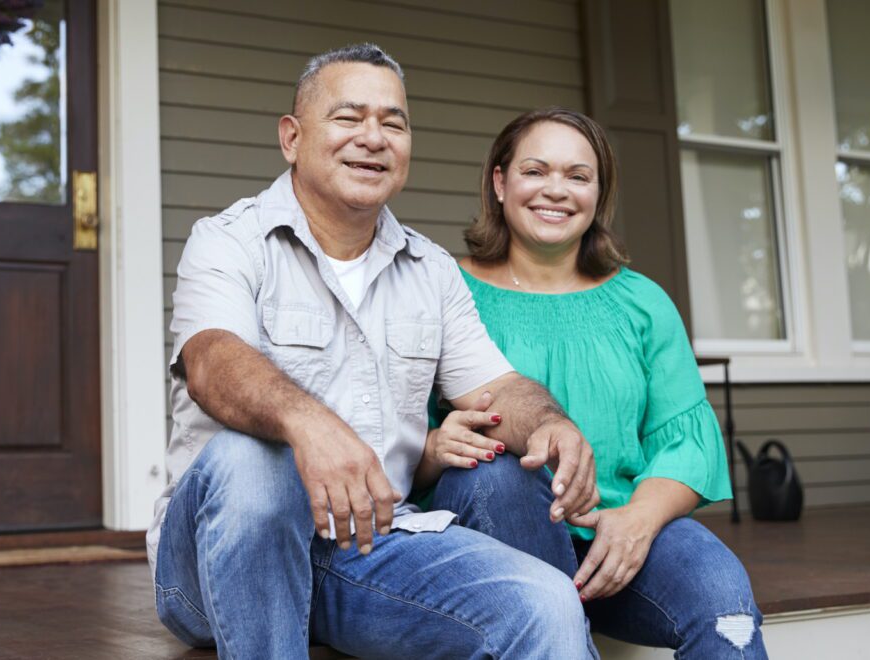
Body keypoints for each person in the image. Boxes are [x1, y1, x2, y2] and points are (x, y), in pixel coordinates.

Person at [148, 45, 602, 659]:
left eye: (393, 122)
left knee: (544, 602)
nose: (373, 137)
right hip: (216, 558)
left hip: (367, 547)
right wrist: (307, 422)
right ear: (292, 137)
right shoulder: (229, 241)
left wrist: (551, 423)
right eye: (348, 117)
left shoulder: (431, 270)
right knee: (255, 462)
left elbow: (497, 387)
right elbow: (210, 359)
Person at [422, 107, 769, 658]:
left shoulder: (642, 303)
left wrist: (637, 520)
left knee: (722, 598)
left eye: (578, 176)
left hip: (619, 532)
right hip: (495, 539)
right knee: (493, 481)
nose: (555, 191)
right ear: (499, 182)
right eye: (535, 171)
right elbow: (399, 435)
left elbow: (684, 444)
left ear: (598, 194)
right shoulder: (442, 290)